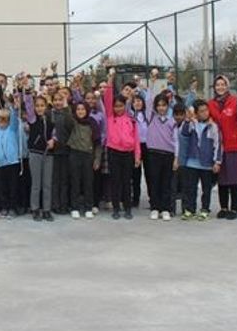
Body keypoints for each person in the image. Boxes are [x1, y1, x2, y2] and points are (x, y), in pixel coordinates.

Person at [103, 69, 141, 220]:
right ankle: (116, 208)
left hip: (128, 153)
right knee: (115, 181)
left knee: (127, 181)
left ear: (125, 106)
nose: (118, 108)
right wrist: (110, 79)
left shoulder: (131, 119)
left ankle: (127, 208)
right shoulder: (110, 117)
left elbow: (136, 139)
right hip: (113, 152)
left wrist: (137, 156)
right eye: (115, 106)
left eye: (120, 106)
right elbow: (107, 97)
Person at [175, 100, 223, 221]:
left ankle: (205, 209)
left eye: (206, 110)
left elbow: (218, 145)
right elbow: (184, 134)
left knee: (206, 189)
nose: (205, 113)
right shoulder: (192, 124)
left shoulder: (213, 126)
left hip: (206, 164)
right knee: (190, 188)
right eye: (201, 111)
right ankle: (189, 209)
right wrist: (187, 120)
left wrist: (217, 161)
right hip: (192, 162)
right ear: (196, 113)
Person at [208, 75, 237, 220]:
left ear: (227, 86)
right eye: (217, 85)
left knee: (235, 179)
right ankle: (223, 207)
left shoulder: (235, 102)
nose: (220, 87)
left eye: (223, 84)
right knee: (222, 179)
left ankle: (235, 208)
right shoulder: (210, 104)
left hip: (233, 145)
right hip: (218, 147)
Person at [144, 90, 178, 221]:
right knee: (154, 181)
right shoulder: (151, 117)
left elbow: (176, 141)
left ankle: (165, 209)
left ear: (168, 106)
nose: (161, 108)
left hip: (168, 155)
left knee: (166, 182)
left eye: (164, 105)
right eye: (158, 105)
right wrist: (151, 84)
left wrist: (176, 157)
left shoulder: (172, 121)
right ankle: (155, 208)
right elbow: (148, 102)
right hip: (153, 154)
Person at [67, 101, 102, 219]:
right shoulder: (73, 122)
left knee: (88, 182)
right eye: (78, 109)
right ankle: (75, 207)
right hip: (74, 154)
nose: (80, 111)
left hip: (88, 155)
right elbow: (68, 115)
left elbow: (97, 143)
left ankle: (88, 207)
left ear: (87, 110)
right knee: (75, 182)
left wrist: (97, 159)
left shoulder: (92, 123)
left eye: (83, 109)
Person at [27, 95, 54, 221]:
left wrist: (53, 140)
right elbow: (28, 105)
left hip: (48, 154)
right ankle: (35, 208)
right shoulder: (32, 119)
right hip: (35, 153)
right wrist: (27, 91)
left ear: (46, 106)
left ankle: (47, 209)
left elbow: (55, 133)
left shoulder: (50, 119)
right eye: (37, 106)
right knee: (36, 183)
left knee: (47, 184)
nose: (39, 108)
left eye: (42, 105)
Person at [50, 90, 74, 214]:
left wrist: (66, 107)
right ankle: (55, 204)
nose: (58, 102)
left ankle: (64, 205)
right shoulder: (50, 114)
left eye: (60, 99)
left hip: (66, 151)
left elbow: (71, 126)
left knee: (64, 180)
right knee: (55, 180)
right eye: (56, 100)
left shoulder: (68, 113)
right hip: (53, 152)